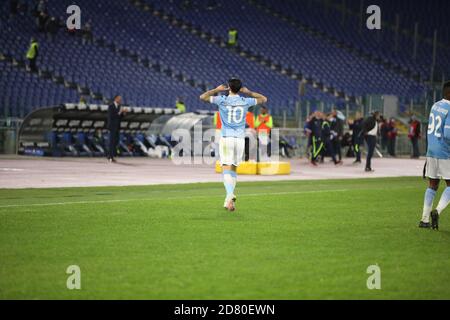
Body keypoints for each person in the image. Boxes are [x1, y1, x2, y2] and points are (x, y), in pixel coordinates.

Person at [200, 79, 267, 211]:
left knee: (226, 168)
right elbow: (264, 99)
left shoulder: (222, 100)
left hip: (227, 138)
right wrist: (248, 92)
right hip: (240, 140)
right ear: (240, 88)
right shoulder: (245, 101)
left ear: (229, 88)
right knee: (234, 169)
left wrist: (217, 90)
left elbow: (202, 97)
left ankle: (230, 194)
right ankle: (228, 201)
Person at [419, 81, 450, 230]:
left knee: (432, 185)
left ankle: (424, 220)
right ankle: (437, 211)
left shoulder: (435, 105)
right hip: (445, 152)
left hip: (431, 150)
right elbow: (448, 134)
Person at [107, 95, 126, 163]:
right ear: (115, 99)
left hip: (117, 126)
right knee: (111, 142)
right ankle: (110, 156)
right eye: (119, 99)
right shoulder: (111, 106)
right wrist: (120, 112)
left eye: (121, 99)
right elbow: (112, 116)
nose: (120, 100)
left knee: (116, 141)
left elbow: (119, 117)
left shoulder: (119, 107)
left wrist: (123, 113)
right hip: (112, 126)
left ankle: (112, 155)